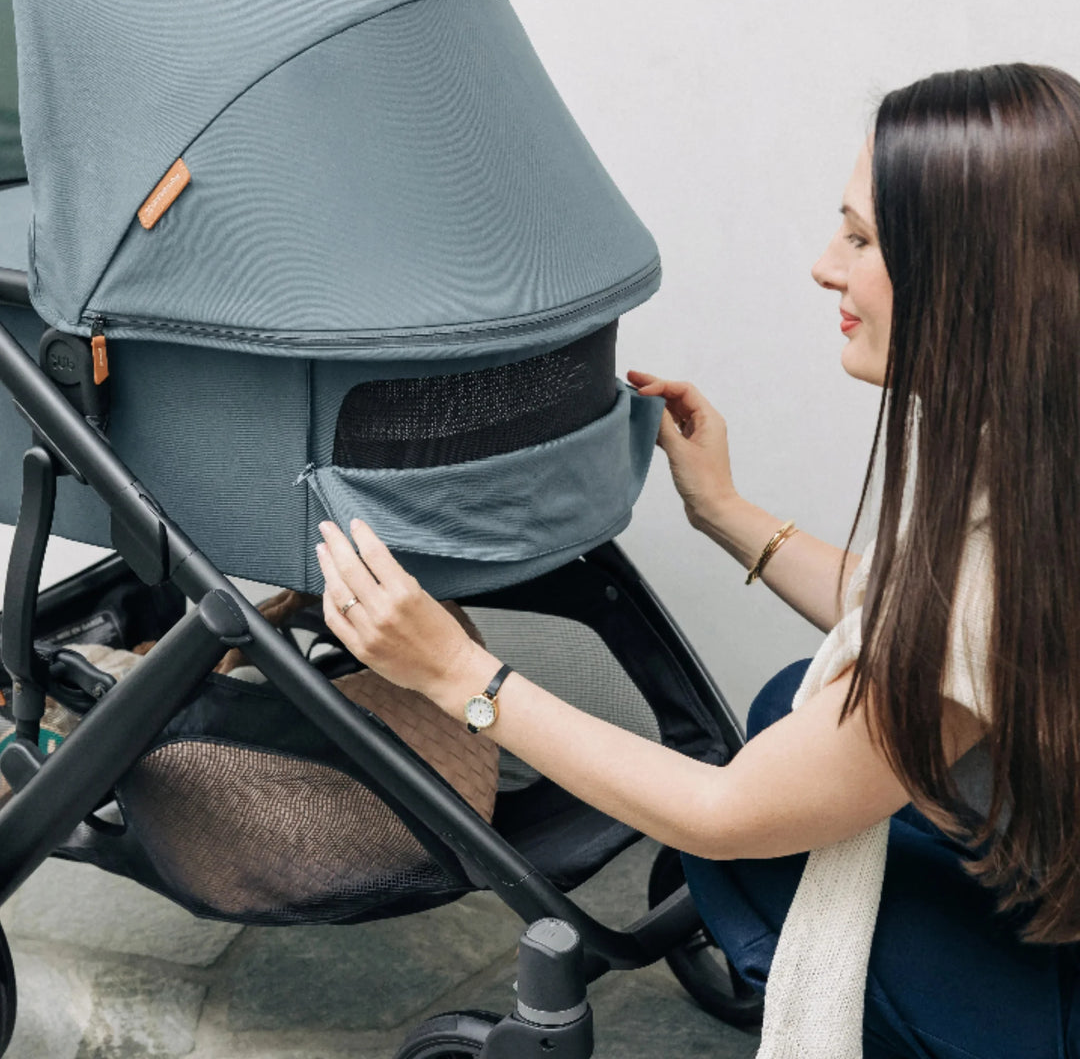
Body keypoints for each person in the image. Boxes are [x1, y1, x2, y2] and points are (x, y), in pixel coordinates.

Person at [314, 63, 1080, 1058]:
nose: (823, 266)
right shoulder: (1037, 451)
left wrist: (458, 675)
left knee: (743, 821)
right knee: (784, 706)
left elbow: (726, 812)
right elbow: (926, 632)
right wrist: (726, 512)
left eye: (860, 239)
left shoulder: (993, 570)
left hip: (1047, 1003)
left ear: (967, 276)